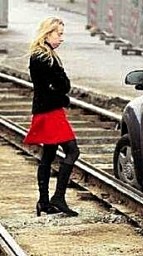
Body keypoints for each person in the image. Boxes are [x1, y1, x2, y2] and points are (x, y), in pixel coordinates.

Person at [24, 16, 80, 217]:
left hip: (47, 110)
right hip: (50, 112)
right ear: (48, 34)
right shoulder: (44, 58)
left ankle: (44, 201)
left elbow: (57, 86)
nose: (61, 38)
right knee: (72, 151)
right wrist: (63, 97)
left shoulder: (43, 55)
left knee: (48, 154)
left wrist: (61, 91)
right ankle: (58, 197)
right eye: (59, 33)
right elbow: (61, 86)